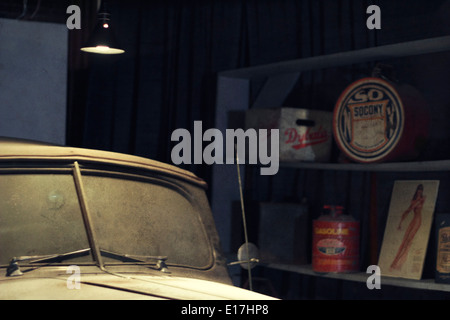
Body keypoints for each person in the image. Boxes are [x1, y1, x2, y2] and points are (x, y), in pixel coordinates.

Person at [390, 184, 426, 271]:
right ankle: (394, 263)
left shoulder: (422, 198)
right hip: (413, 220)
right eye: (418, 190)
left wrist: (413, 204)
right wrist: (400, 223)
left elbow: (412, 207)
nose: (419, 191)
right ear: (416, 190)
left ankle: (399, 264)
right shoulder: (414, 200)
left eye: (421, 190)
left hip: (418, 221)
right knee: (403, 242)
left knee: (408, 241)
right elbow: (407, 211)